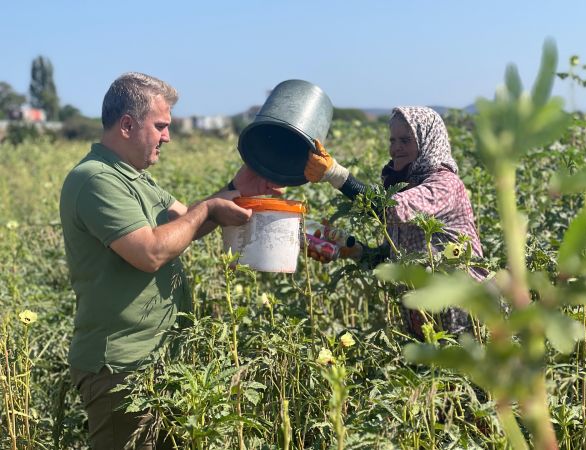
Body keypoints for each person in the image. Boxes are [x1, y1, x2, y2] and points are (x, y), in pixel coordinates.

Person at [59, 72, 282, 449]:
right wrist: (209, 207)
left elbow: (185, 224)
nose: (168, 137)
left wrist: (238, 188)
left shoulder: (136, 178)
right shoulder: (96, 180)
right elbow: (150, 252)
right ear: (127, 125)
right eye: (161, 126)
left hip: (159, 358)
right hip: (121, 367)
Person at [304, 106, 486, 339]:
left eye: (405, 140)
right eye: (392, 140)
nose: (396, 147)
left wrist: (336, 174)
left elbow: (391, 209)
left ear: (427, 140)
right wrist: (351, 250)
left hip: (467, 316)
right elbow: (393, 262)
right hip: (427, 321)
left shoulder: (446, 183)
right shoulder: (403, 187)